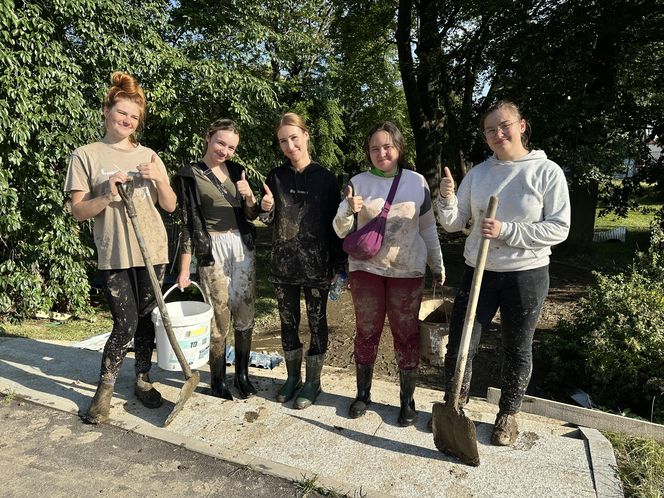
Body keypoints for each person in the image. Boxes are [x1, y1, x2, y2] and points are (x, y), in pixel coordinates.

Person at [436, 100, 570, 445]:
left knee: (517, 347)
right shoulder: (479, 174)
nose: (497, 134)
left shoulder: (546, 172)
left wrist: (508, 231)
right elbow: (452, 224)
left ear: (521, 125)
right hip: (478, 269)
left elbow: (559, 228)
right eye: (490, 130)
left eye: (504, 126)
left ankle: (508, 415)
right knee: (463, 342)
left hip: (526, 274)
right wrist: (447, 198)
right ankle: (454, 405)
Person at [65, 72, 177, 424]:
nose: (127, 121)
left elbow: (170, 206)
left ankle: (142, 378)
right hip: (114, 251)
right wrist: (106, 194)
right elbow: (77, 212)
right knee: (124, 323)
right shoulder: (86, 155)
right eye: (121, 114)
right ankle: (105, 389)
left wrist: (159, 177)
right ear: (106, 111)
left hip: (153, 250)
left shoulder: (148, 155)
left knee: (146, 320)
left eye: (134, 117)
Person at [333, 122, 445, 426]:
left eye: (387, 146)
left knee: (406, 335)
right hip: (366, 270)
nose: (381, 153)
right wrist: (346, 208)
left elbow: (428, 228)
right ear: (368, 152)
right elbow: (340, 229)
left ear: (399, 147)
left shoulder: (417, 182)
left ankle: (407, 401)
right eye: (374, 148)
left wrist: (437, 264)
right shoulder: (358, 181)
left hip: (407, 270)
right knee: (367, 331)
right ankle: (363, 393)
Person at [260, 112, 345, 409]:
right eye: (283, 141)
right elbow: (267, 219)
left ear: (306, 135)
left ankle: (313, 381)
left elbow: (337, 226)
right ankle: (292, 376)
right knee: (287, 322)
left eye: (294, 138)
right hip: (284, 265)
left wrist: (339, 266)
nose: (289, 145)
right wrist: (266, 208)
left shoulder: (326, 179)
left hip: (317, 266)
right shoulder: (276, 176)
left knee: (317, 322)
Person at [173, 119, 258, 400]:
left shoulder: (237, 171)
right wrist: (184, 269)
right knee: (218, 316)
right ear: (208, 137)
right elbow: (187, 224)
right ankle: (218, 379)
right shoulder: (190, 174)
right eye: (221, 143)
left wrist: (249, 199)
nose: (225, 151)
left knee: (244, 312)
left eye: (231, 147)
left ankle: (243, 375)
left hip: (242, 247)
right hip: (212, 247)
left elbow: (251, 215)